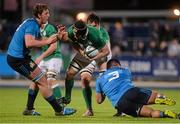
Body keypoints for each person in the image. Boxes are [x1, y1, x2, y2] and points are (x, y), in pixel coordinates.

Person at [7, 3, 76, 116]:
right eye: (46, 13)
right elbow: (29, 43)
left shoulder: (32, 23)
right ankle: (59, 110)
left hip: (20, 57)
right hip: (18, 59)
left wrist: (58, 36)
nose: (48, 15)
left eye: (48, 13)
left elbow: (46, 39)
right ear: (39, 15)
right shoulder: (33, 25)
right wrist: (48, 41)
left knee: (38, 80)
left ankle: (29, 109)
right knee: (43, 81)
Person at [96, 59, 180, 119]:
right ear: (118, 65)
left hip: (121, 104)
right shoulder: (125, 70)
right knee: (154, 94)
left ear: (107, 68)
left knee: (150, 113)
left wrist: (104, 90)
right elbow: (128, 81)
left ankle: (164, 114)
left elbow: (99, 101)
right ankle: (160, 99)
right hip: (130, 92)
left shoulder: (99, 79)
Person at [58, 20, 110, 116]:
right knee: (70, 74)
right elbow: (73, 42)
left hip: (99, 54)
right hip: (86, 52)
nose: (73, 32)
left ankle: (94, 106)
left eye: (75, 32)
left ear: (81, 33)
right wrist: (81, 52)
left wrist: (93, 58)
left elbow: (106, 51)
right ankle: (68, 98)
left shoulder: (95, 35)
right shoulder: (72, 31)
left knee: (90, 80)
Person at [76, 13, 112, 116]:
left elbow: (105, 52)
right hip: (90, 57)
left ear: (95, 23)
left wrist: (92, 56)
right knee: (84, 79)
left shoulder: (103, 33)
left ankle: (120, 109)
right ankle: (89, 110)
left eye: (90, 24)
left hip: (103, 57)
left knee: (100, 99)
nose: (88, 27)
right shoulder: (86, 31)